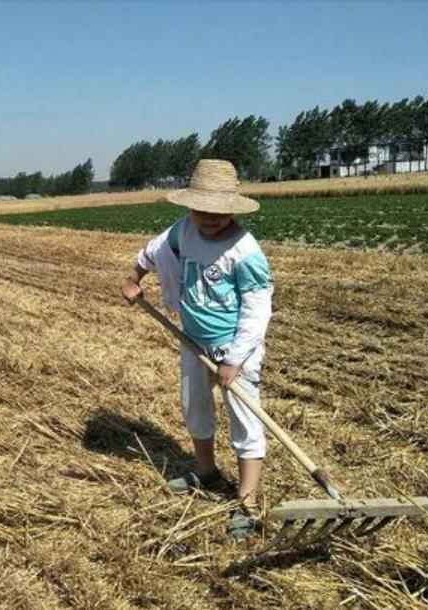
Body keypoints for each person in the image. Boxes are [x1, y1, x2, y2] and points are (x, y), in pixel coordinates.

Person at [120, 159, 273, 540]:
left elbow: (257, 308)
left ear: (232, 209)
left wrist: (235, 360)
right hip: (192, 340)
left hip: (234, 350)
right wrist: (133, 278)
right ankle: (205, 470)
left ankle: (247, 501)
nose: (208, 217)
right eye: (201, 208)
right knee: (195, 407)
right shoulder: (182, 231)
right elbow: (153, 252)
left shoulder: (245, 249)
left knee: (246, 419)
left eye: (218, 212)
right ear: (189, 204)